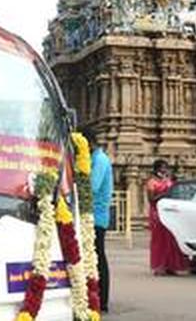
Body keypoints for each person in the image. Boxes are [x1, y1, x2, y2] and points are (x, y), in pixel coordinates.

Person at [83, 127, 113, 312]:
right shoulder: (94, 158)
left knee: (98, 257)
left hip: (98, 216)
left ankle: (102, 300)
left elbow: (93, 186)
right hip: (92, 215)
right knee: (92, 257)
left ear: (90, 142)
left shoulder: (100, 160)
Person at [146, 159, 189, 276]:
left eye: (165, 168)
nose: (164, 170)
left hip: (169, 211)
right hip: (157, 212)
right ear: (156, 169)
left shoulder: (168, 180)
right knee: (160, 240)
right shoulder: (151, 182)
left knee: (171, 239)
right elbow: (151, 199)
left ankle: (171, 265)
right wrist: (165, 193)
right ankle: (159, 266)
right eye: (162, 168)